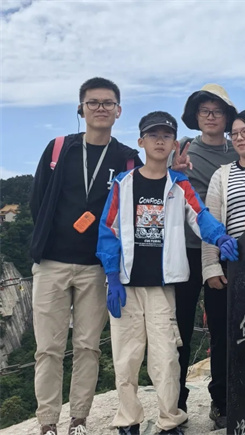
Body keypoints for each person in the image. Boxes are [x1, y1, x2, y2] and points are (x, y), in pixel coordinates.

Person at [96, 111, 239, 435]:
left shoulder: (180, 184)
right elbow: (108, 230)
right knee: (126, 358)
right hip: (127, 285)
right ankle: (128, 419)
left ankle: (169, 419)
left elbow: (200, 216)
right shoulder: (123, 184)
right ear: (141, 141)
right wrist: (112, 277)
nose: (159, 141)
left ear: (175, 144)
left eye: (166, 136)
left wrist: (220, 237)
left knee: (166, 358)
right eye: (153, 135)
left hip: (162, 286)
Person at [29, 77, 142, 435]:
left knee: (88, 347)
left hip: (96, 267)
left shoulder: (127, 159)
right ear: (81, 108)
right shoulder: (59, 148)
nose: (100, 108)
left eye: (108, 103)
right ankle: (48, 422)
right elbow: (37, 200)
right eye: (93, 102)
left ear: (118, 111)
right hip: (52, 262)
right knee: (47, 348)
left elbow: (137, 205)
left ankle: (79, 419)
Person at [200, 109, 245, 429]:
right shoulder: (222, 175)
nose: (239, 138)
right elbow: (211, 221)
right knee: (224, 336)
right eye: (235, 133)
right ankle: (223, 402)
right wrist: (211, 265)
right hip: (231, 265)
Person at [175, 84, 238, 426]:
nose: (211, 116)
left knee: (223, 329)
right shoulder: (182, 149)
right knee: (179, 329)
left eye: (218, 111)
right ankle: (176, 403)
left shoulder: (237, 151)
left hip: (221, 250)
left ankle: (222, 402)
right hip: (184, 249)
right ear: (196, 116)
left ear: (227, 117)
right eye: (205, 111)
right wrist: (173, 171)